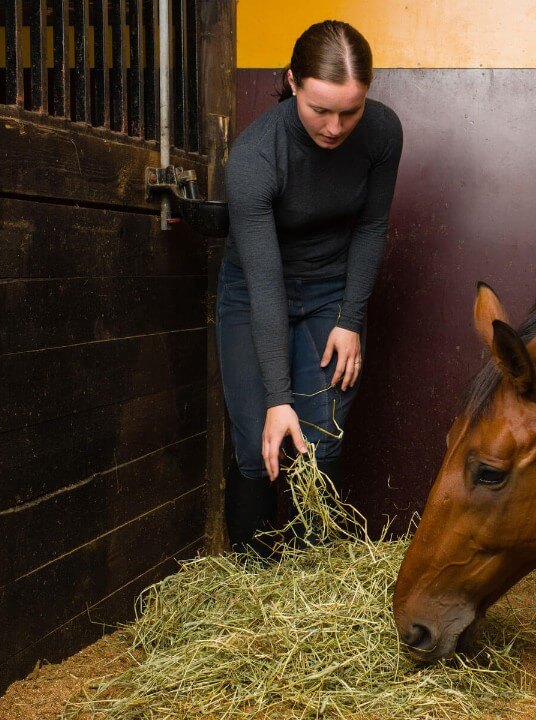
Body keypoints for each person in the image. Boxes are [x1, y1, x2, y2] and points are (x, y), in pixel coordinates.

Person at [217, 20, 403, 556]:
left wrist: (349, 318)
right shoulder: (256, 156)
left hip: (332, 289)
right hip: (255, 289)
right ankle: (250, 578)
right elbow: (266, 281)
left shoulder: (383, 133)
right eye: (320, 109)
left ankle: (314, 578)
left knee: (323, 437)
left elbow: (371, 227)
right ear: (292, 81)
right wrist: (278, 397)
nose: (335, 127)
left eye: (350, 110)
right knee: (261, 439)